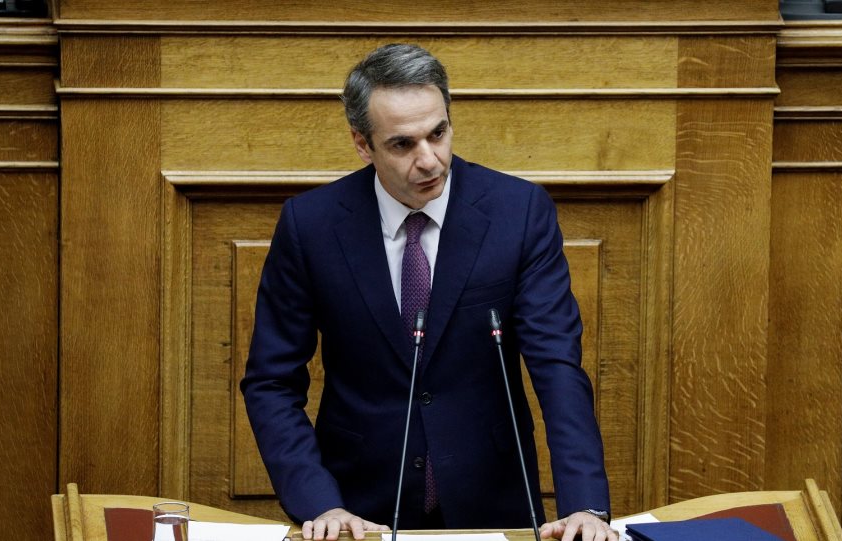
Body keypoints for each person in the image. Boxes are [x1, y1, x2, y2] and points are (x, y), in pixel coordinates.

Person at [241, 43, 616, 541]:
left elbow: (557, 365)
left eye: (438, 134)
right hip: (357, 511)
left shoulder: (518, 212)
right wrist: (320, 502)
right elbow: (271, 382)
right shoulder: (311, 227)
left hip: (491, 503)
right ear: (362, 144)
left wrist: (586, 504)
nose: (429, 160)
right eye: (402, 144)